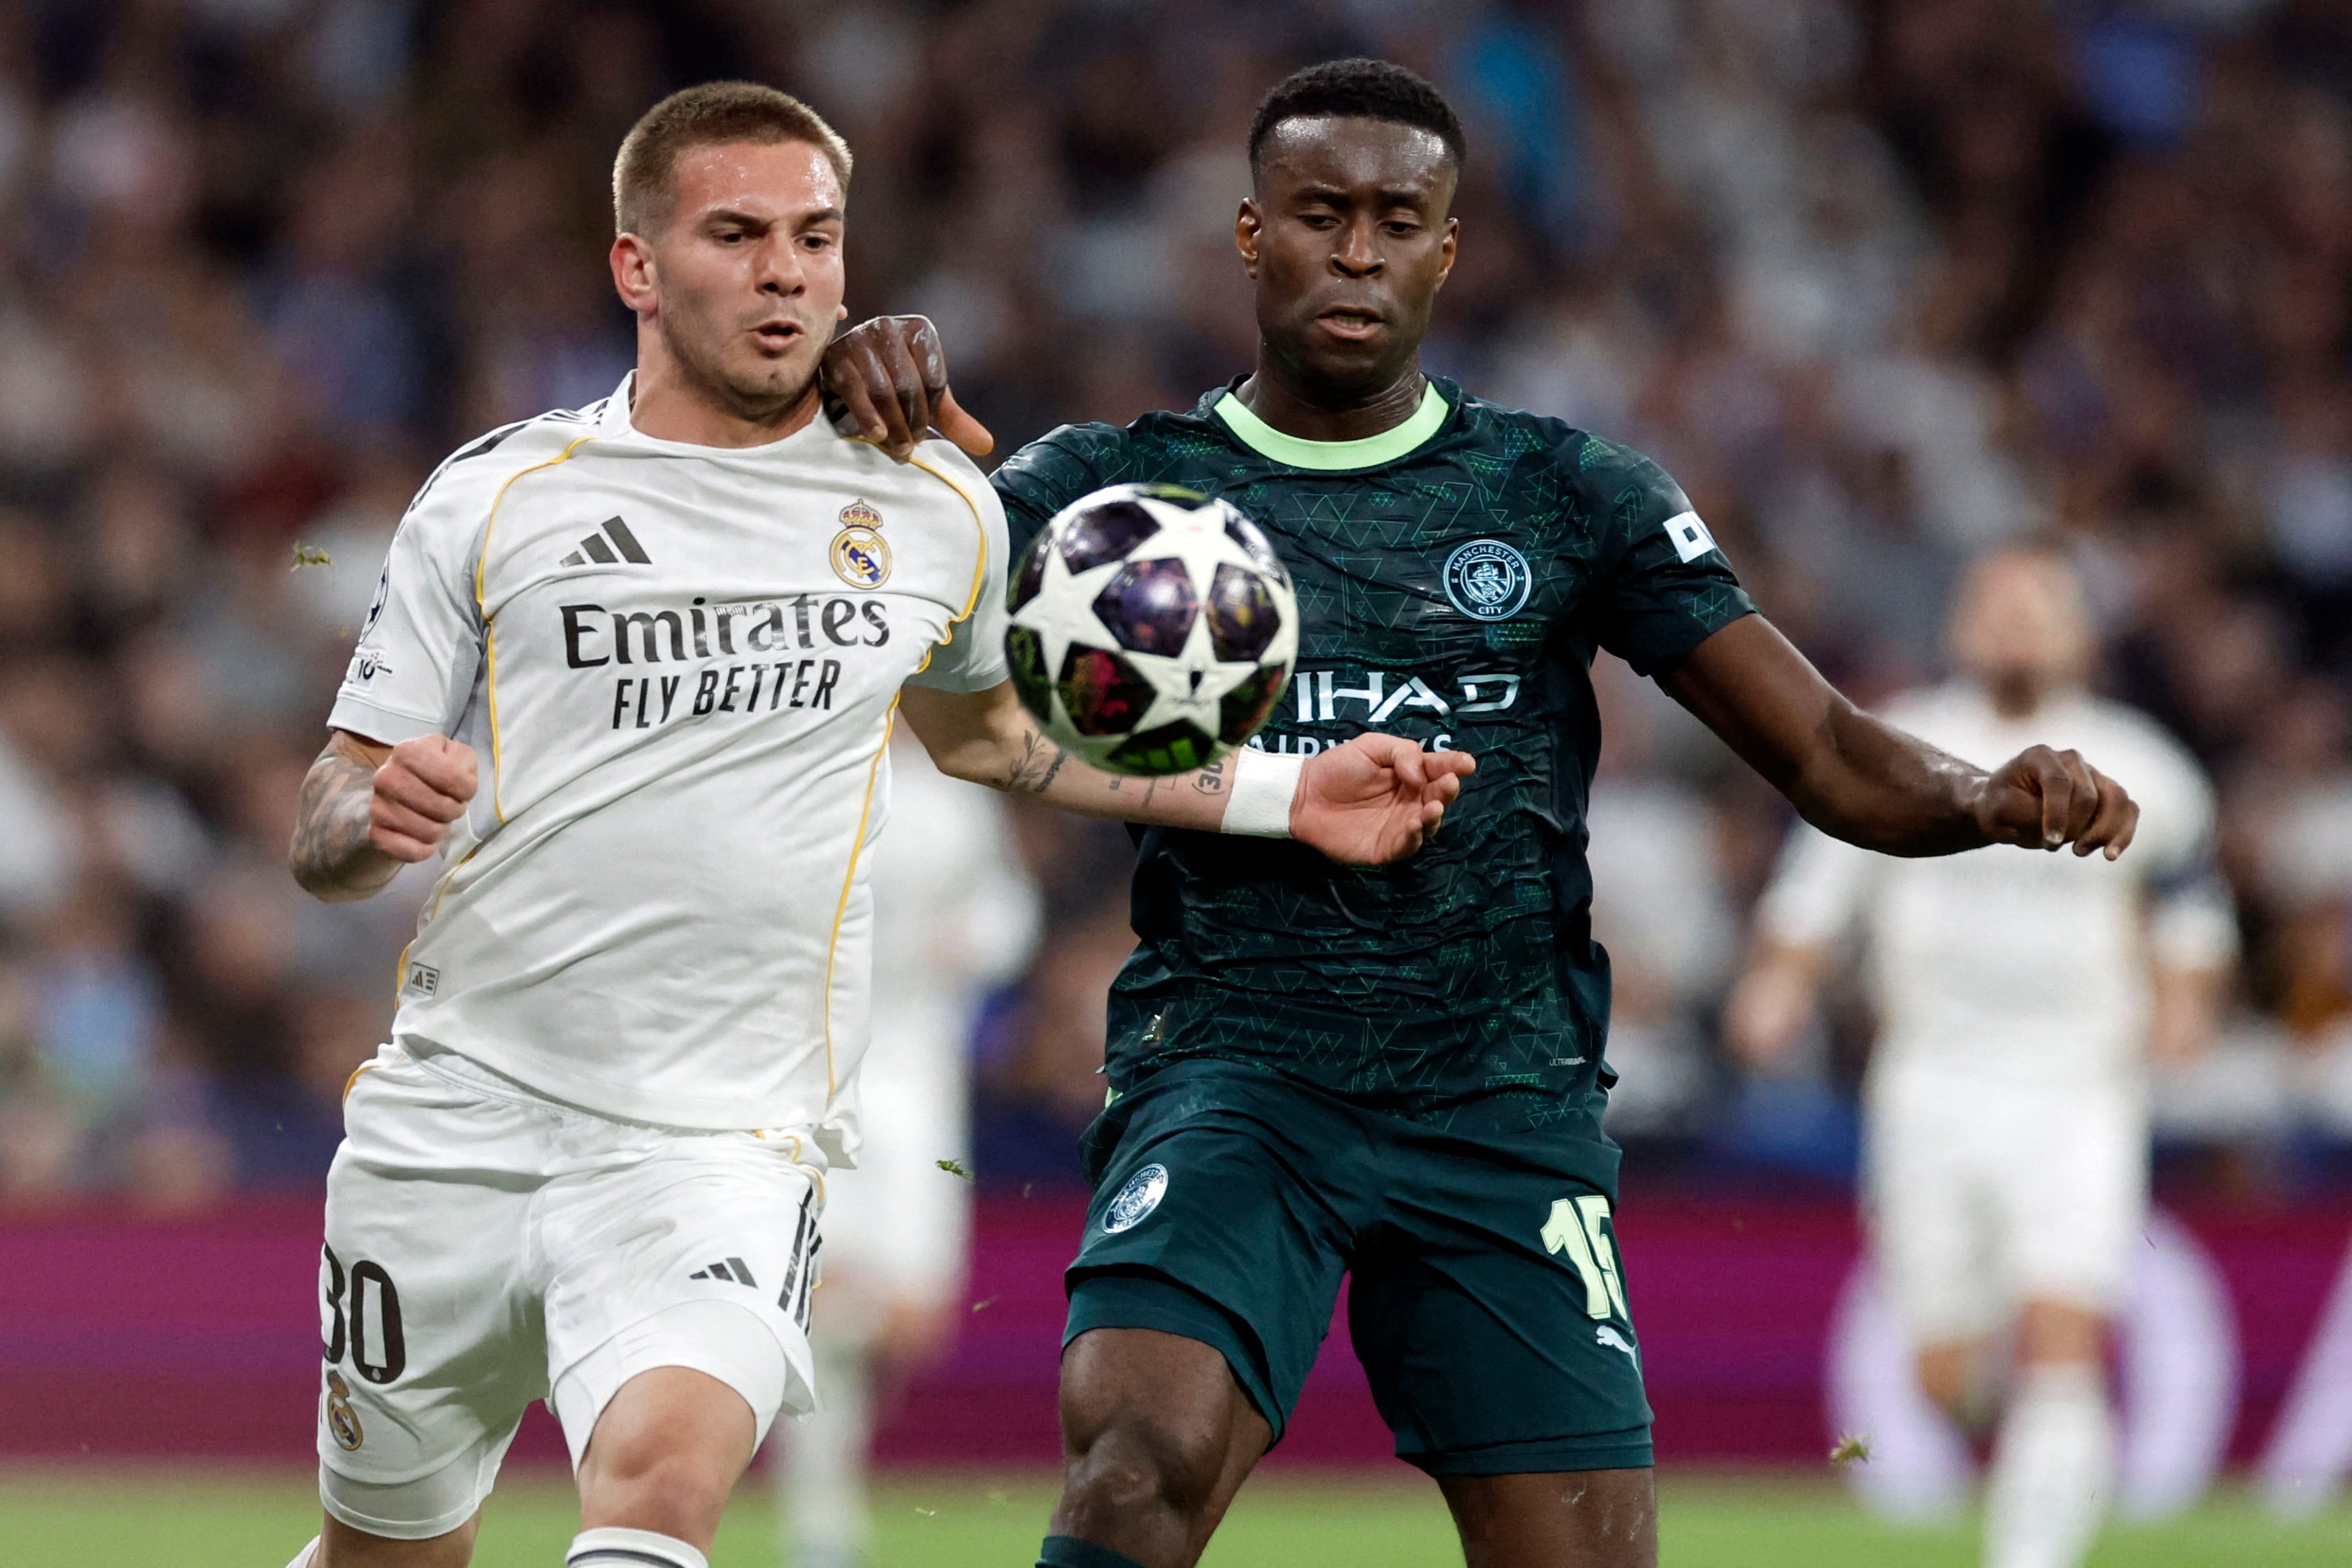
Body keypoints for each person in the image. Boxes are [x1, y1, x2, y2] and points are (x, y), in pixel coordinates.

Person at [820, 58, 2140, 1568]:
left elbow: (1830, 753)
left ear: (1449, 250)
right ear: (1251, 237)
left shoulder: (1563, 494)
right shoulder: (1114, 493)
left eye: (1399, 219)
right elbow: (894, 613)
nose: (1358, 251)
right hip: (1235, 1074)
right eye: (1320, 215)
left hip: (1503, 1100)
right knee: (1140, 1454)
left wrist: (1987, 793)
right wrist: (862, 410)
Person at [280, 80, 1464, 1568]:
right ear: (638, 267)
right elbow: (326, 812)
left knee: (658, 1489)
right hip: (452, 1122)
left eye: (816, 237)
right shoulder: (497, 497)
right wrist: (368, 816)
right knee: (387, 1552)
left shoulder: (929, 507)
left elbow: (997, 739)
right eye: (736, 233)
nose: (785, 270)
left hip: (722, 1134)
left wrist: (1289, 790)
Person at [1725, 546, 2235, 1568]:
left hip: (2078, 1087)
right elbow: (1814, 894)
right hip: (1928, 1088)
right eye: (1996, 605)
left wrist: (2183, 1004)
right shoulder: (1899, 743)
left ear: (2081, 630)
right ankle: (2004, 1404)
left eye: (2039, 606)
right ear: (1960, 625)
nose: (2015, 625)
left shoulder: (2146, 764)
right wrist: (1777, 983)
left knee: (2064, 1335)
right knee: (1944, 1380)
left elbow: (2190, 913)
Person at [769, 730, 1037, 1568]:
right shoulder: (801, 780)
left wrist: (976, 943)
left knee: (911, 1317)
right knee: (823, 1295)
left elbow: (1007, 911)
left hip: (919, 1077)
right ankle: (821, 1528)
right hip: (810, 1071)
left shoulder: (956, 798)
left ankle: (771, 1373)